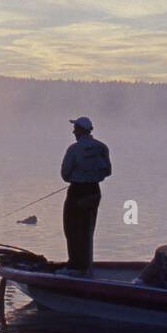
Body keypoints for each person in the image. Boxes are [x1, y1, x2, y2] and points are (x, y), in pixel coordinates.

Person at [59, 117, 111, 274]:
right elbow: (107, 170)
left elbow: (65, 174)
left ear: (81, 130)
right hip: (94, 191)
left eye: (75, 129)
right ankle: (86, 265)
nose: (73, 132)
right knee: (88, 228)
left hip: (77, 192)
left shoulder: (74, 149)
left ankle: (76, 267)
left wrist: (78, 176)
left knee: (72, 228)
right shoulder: (102, 147)